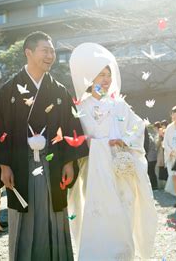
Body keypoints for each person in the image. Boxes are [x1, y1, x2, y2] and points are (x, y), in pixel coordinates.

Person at [0, 31, 88, 261]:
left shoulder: (59, 91)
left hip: (53, 161)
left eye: (52, 51)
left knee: (55, 215)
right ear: (28, 52)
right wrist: (4, 165)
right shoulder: (8, 91)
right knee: (23, 215)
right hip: (20, 164)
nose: (50, 55)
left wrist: (69, 161)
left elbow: (71, 127)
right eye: (45, 51)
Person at [67, 43, 157, 260]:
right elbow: (74, 139)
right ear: (90, 78)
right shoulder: (80, 108)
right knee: (97, 213)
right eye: (100, 75)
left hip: (118, 166)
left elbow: (138, 127)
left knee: (123, 211)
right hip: (94, 169)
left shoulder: (119, 105)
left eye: (108, 74)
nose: (105, 79)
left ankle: (122, 255)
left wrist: (124, 139)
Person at [145, 125, 159, 190]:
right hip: (152, 157)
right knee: (151, 172)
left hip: (151, 157)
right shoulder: (150, 136)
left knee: (151, 172)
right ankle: (154, 185)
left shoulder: (148, 137)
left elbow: (147, 147)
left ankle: (154, 185)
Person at [155, 122, 168, 188]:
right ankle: (163, 185)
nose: (163, 128)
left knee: (166, 170)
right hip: (161, 155)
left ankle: (167, 185)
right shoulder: (159, 136)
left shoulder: (168, 133)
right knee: (161, 170)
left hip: (167, 154)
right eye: (162, 126)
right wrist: (160, 137)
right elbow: (156, 145)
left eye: (164, 126)